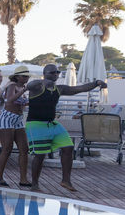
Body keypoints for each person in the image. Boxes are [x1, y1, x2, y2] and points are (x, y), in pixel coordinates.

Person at [24, 63, 107, 193]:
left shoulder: (59, 89)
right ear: (45, 74)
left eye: (57, 72)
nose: (55, 74)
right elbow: (29, 85)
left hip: (52, 124)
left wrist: (96, 83)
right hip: (36, 125)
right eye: (52, 72)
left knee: (68, 147)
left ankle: (66, 180)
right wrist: (44, 82)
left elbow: (79, 89)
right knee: (40, 156)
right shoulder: (37, 87)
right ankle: (35, 184)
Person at [0, 66, 32, 187]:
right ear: (17, 76)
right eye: (24, 76)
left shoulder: (22, 88)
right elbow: (9, 100)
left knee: (24, 149)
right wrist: (24, 91)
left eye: (27, 76)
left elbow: (21, 103)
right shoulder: (12, 86)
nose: (26, 78)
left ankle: (23, 179)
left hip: (18, 119)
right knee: (7, 148)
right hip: (7, 118)